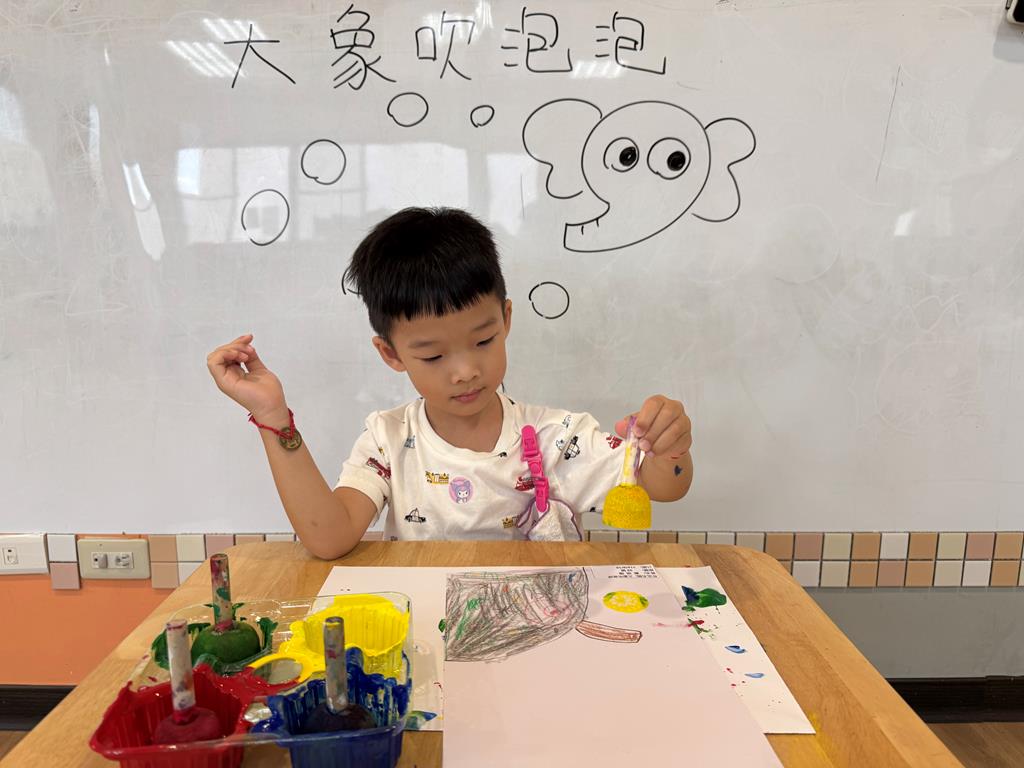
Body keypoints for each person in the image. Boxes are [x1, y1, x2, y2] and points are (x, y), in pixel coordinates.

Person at [206, 207, 693, 558]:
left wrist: (669, 448)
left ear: (505, 320)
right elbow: (328, 538)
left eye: (483, 340)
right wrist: (273, 417)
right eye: (434, 355)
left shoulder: (556, 437)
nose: (464, 371)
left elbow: (664, 487)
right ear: (392, 354)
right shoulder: (389, 439)